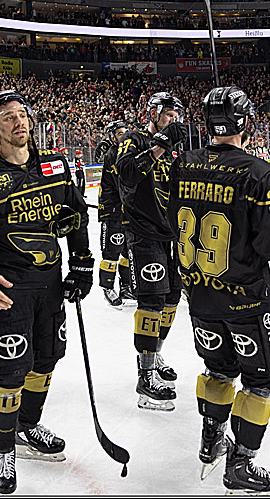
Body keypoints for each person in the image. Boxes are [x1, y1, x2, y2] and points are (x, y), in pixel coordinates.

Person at [0, 90, 94, 494]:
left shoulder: (55, 167)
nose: (19, 122)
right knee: (8, 373)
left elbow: (76, 216)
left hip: (50, 285)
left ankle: (28, 426)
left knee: (46, 361)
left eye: (22, 115)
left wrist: (82, 263)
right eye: (8, 117)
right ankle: (3, 449)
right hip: (7, 290)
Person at [168, 87, 270, 494]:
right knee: (261, 380)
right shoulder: (260, 173)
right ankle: (241, 463)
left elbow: (173, 223)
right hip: (247, 299)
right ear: (246, 122)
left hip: (200, 295)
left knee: (218, 369)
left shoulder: (184, 165)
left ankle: (211, 442)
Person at [115, 91, 189, 411]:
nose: (174, 120)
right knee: (152, 299)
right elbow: (127, 173)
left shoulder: (176, 151)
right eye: (169, 115)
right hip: (142, 231)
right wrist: (159, 145)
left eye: (177, 116)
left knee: (173, 297)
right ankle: (145, 375)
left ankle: (155, 352)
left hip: (172, 233)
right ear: (154, 112)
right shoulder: (133, 139)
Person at [96, 120, 135, 308]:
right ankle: (107, 287)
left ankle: (126, 287)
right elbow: (124, 183)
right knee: (112, 251)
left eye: (126, 132)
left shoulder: (125, 152)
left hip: (127, 211)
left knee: (128, 252)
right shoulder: (113, 154)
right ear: (112, 137)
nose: (124, 135)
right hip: (113, 211)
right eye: (120, 133)